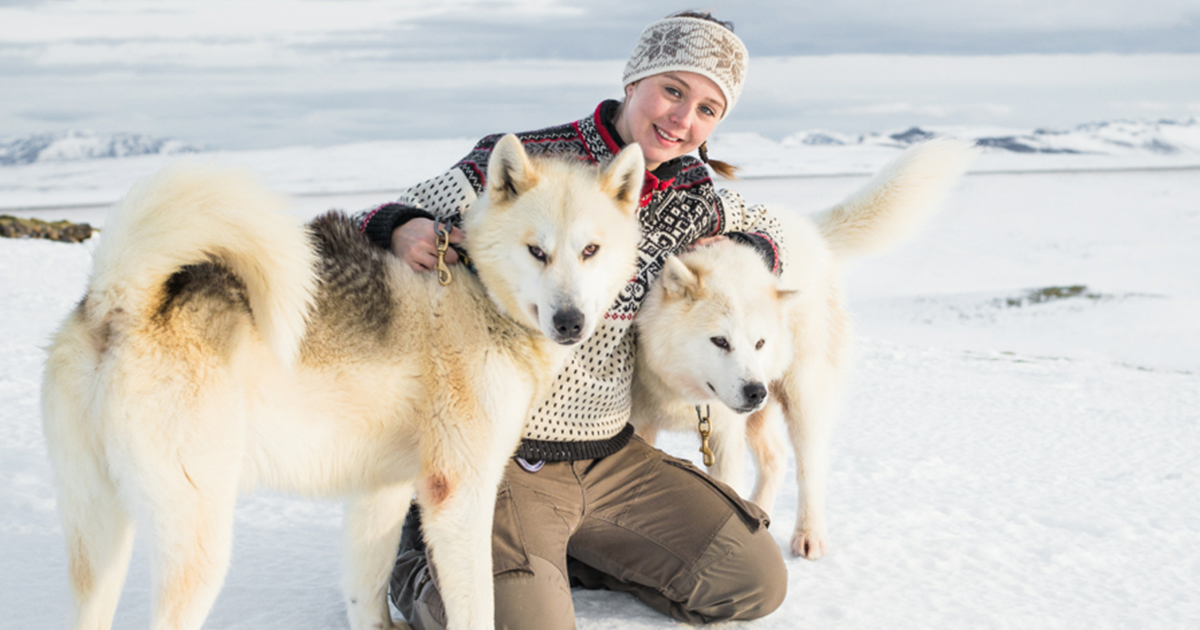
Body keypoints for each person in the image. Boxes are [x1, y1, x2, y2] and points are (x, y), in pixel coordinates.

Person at [355, 11, 789, 629]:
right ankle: (424, 564)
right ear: (634, 80)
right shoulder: (527, 161)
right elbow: (377, 216)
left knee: (752, 581)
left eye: (707, 109)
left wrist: (735, 266)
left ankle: (561, 554)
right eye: (672, 90)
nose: (682, 118)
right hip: (506, 455)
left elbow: (767, 237)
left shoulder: (695, 194)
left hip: (612, 455)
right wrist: (400, 229)